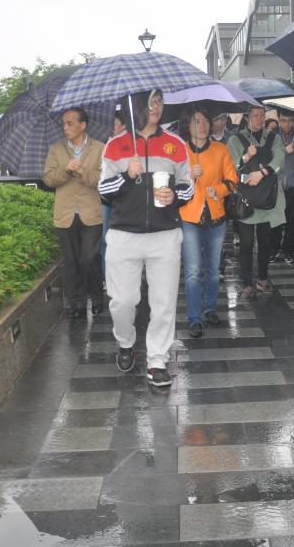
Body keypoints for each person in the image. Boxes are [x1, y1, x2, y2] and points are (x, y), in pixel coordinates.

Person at [98, 89, 192, 387]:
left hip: (165, 235)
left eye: (159, 101)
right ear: (136, 104)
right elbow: (103, 191)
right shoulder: (115, 145)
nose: (156, 106)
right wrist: (127, 174)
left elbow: (188, 186)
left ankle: (157, 360)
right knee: (123, 301)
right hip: (124, 235)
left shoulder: (175, 144)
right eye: (151, 101)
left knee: (163, 302)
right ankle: (125, 342)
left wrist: (175, 195)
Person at [43, 107, 106, 317]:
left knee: (89, 258)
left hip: (91, 213)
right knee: (71, 261)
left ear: (83, 125)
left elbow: (102, 179)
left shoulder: (100, 148)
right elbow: (48, 179)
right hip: (65, 213)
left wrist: (81, 171)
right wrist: (66, 169)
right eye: (63, 123)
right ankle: (77, 303)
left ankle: (96, 297)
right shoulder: (56, 150)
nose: (65, 127)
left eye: (70, 123)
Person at [179, 108, 237, 338]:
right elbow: (171, 185)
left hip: (216, 216)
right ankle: (194, 318)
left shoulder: (220, 149)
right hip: (189, 217)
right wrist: (190, 177)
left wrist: (219, 190)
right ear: (188, 125)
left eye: (205, 121)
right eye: (197, 121)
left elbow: (232, 180)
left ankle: (210, 308)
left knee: (213, 270)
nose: (202, 126)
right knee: (193, 271)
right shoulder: (181, 151)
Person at [227, 105, 286, 300]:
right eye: (255, 115)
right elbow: (231, 168)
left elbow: (280, 159)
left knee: (265, 242)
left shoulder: (273, 137)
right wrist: (246, 156)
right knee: (246, 243)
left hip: (267, 199)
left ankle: (262, 278)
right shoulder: (236, 139)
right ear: (246, 117)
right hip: (246, 200)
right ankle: (246, 283)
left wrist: (263, 172)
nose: (260, 118)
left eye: (262, 114)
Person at [269, 113, 294, 266]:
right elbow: (269, 157)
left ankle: (289, 250)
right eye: (283, 120)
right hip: (277, 185)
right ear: (279, 120)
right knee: (276, 220)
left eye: (289, 120)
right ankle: (273, 249)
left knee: (293, 221)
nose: (286, 124)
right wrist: (284, 150)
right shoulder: (273, 136)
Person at [100, 110, 127, 281]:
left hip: (124, 199)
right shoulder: (104, 144)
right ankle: (105, 277)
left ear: (124, 126)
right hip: (106, 200)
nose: (112, 127)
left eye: (115, 123)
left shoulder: (130, 144)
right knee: (105, 238)